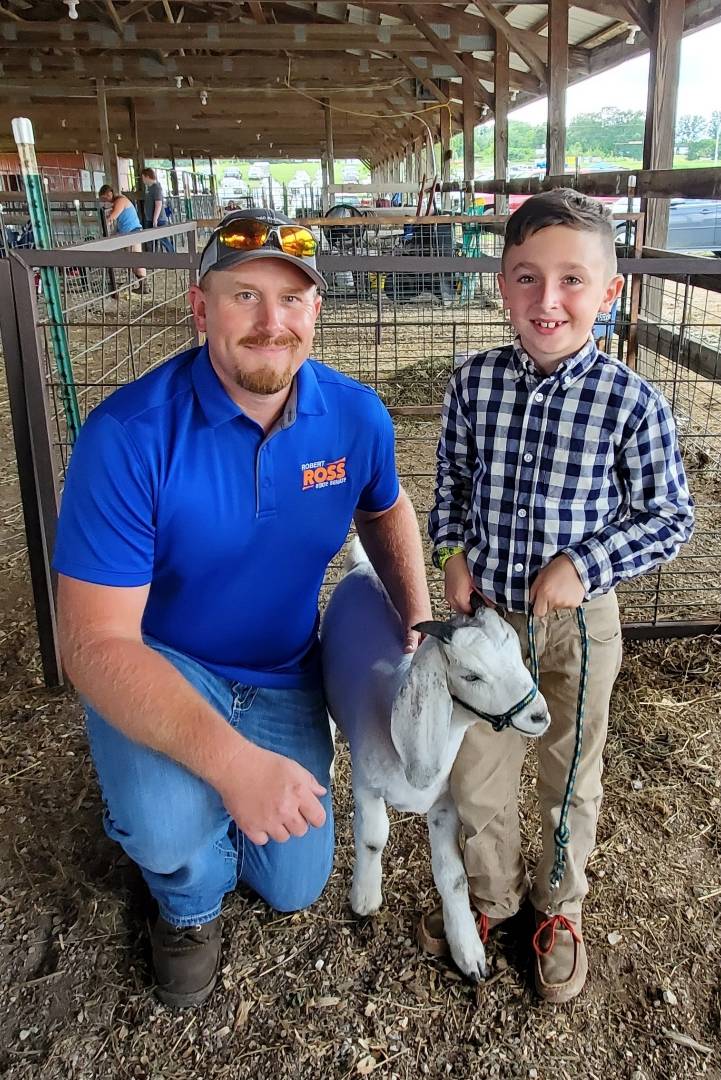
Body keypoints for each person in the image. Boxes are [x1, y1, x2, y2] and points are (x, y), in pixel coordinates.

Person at [53, 208, 432, 1008]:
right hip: (163, 661)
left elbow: (385, 507)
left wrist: (418, 619)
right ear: (199, 310)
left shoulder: (355, 415)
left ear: (316, 312)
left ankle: (178, 798)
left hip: (283, 667)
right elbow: (91, 645)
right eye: (244, 297)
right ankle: (184, 903)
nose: (271, 323)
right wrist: (231, 765)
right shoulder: (127, 434)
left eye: (291, 300)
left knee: (295, 882)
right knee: (166, 830)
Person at [425, 189, 694, 1003]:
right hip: (485, 623)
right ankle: (492, 897)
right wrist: (450, 551)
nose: (549, 301)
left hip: (577, 626)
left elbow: (667, 514)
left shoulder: (630, 402)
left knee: (567, 770)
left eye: (572, 280)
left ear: (608, 293)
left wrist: (585, 561)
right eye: (527, 278)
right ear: (501, 284)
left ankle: (556, 907)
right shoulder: (472, 384)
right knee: (475, 770)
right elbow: (451, 483)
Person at [98, 184, 148, 292]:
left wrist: (104, 224)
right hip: (128, 233)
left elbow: (113, 217)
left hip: (132, 232)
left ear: (109, 194)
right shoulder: (118, 202)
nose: (104, 201)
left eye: (104, 198)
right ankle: (142, 284)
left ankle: (144, 286)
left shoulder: (120, 201)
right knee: (132, 259)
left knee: (136, 258)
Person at [141, 166, 175, 254]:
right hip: (151, 218)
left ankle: (173, 257)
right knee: (153, 239)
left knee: (163, 239)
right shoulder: (149, 188)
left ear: (147, 177)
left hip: (158, 219)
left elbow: (158, 204)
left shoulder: (156, 188)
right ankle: (155, 258)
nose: (143, 180)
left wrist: (155, 219)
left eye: (143, 178)